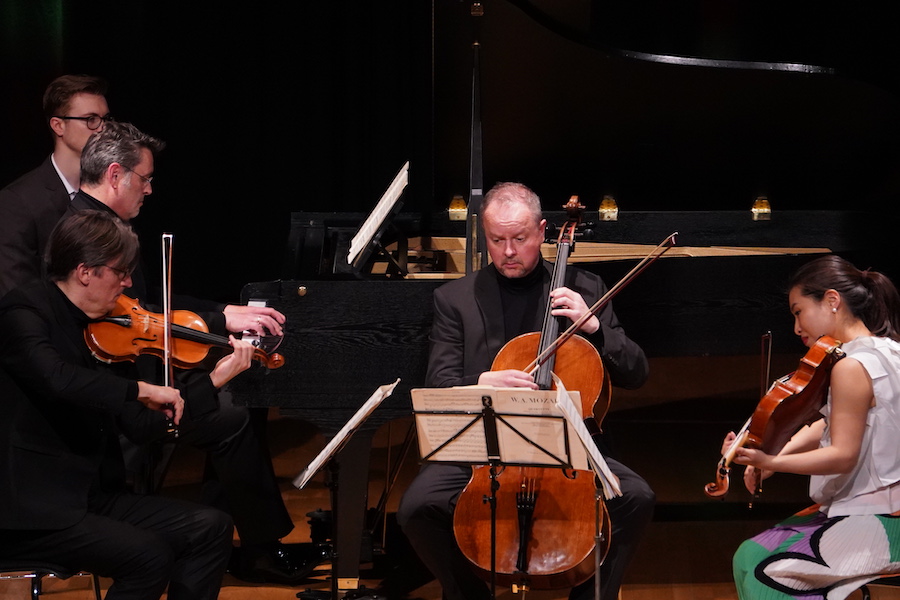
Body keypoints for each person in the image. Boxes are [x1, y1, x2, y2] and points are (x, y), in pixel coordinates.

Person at [59, 119, 312, 584]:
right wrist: (216, 321)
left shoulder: (100, 223)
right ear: (115, 175)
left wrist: (221, 313)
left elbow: (148, 306)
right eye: (144, 178)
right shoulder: (89, 234)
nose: (149, 189)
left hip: (138, 366)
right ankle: (251, 546)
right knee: (233, 412)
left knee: (239, 402)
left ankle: (236, 540)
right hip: (119, 393)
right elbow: (138, 314)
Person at [387, 182, 655, 600]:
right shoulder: (455, 299)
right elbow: (439, 382)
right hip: (483, 451)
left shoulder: (584, 289)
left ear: (543, 232)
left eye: (520, 239)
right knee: (416, 508)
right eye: (497, 240)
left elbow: (636, 373)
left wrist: (594, 327)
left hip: (568, 451)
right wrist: (481, 383)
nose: (508, 251)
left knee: (636, 498)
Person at [0, 210, 244, 599]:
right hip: (34, 510)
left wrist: (213, 381)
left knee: (210, 527)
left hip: (93, 496)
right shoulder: (24, 311)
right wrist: (139, 390)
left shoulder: (111, 329)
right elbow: (57, 379)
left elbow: (141, 427)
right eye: (120, 272)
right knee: (148, 557)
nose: (129, 283)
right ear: (85, 272)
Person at [729, 255, 900, 600]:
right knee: (748, 555)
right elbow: (835, 420)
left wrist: (771, 461)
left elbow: (842, 455)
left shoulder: (851, 366)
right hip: (872, 509)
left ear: (832, 301)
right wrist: (776, 451)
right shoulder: (887, 349)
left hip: (882, 518)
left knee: (767, 578)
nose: (796, 327)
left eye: (799, 311)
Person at [0, 74, 111, 299]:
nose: (102, 129)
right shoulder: (17, 201)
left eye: (104, 119)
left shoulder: (108, 190)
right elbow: (17, 298)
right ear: (58, 125)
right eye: (90, 119)